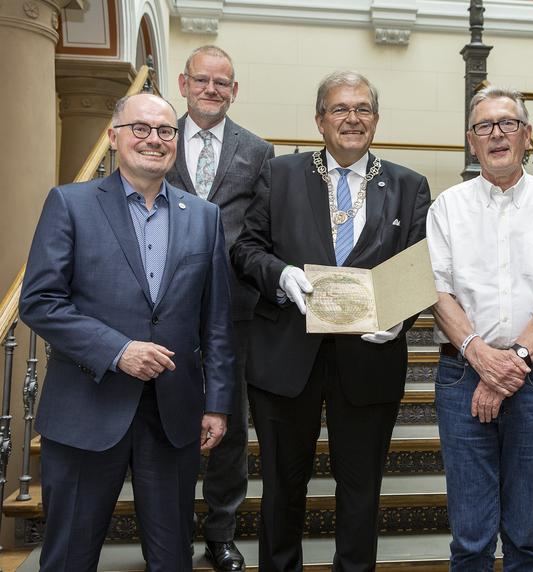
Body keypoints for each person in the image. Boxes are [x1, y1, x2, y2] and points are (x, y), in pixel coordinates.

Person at [19, 93, 235, 571]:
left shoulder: (203, 217)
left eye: (165, 131)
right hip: (86, 410)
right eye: (140, 128)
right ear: (114, 138)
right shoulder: (69, 204)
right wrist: (118, 350)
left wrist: (217, 404)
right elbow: (39, 301)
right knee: (70, 556)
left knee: (172, 557)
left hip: (173, 415)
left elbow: (216, 322)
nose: (153, 140)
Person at [231, 70, 431, 571]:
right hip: (285, 358)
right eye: (340, 109)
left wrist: (400, 318)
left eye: (363, 109)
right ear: (319, 119)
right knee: (282, 485)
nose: (352, 119)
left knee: (362, 488)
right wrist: (280, 276)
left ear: (377, 121)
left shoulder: (409, 186)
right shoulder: (280, 174)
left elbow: (422, 266)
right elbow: (245, 249)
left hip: (370, 357)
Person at [426, 86, 533, 571]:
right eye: (484, 126)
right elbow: (436, 293)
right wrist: (483, 358)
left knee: (525, 537)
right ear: (471, 141)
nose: (496, 134)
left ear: (526, 135)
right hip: (462, 379)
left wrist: (514, 363)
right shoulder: (447, 207)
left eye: (507, 124)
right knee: (470, 538)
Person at [166, 44, 274, 572]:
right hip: (164, 308)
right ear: (183, 84)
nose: (212, 89)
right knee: (165, 421)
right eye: (201, 80)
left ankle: (221, 533)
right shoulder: (157, 138)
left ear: (234, 91)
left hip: (235, 309)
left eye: (222, 83)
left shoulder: (258, 151)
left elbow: (259, 231)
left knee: (227, 423)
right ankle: (170, 535)